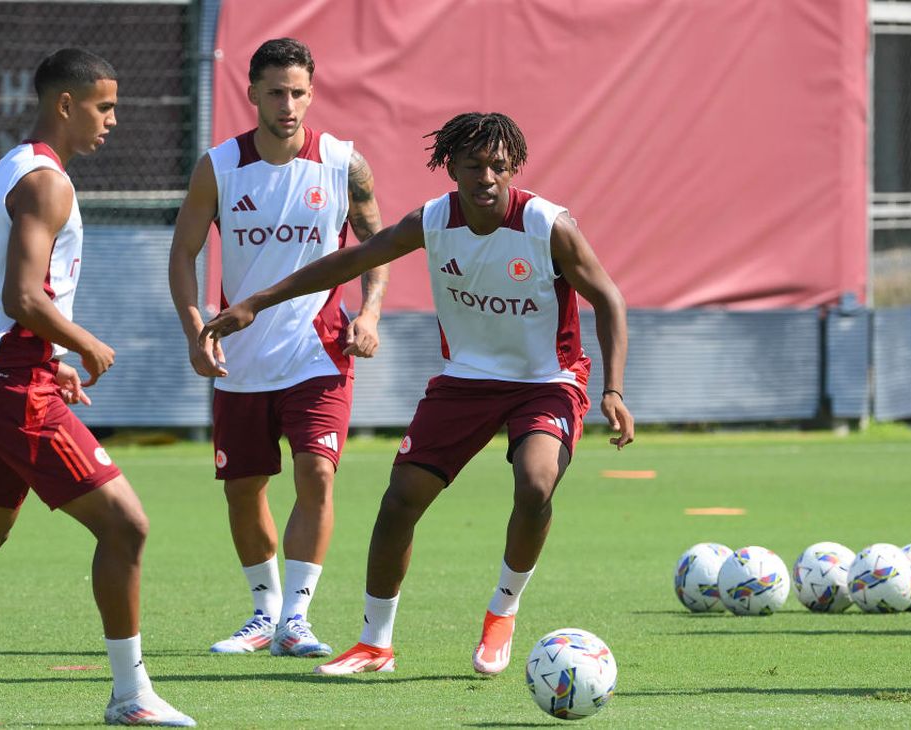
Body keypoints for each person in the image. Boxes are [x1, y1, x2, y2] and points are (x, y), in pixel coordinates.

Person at [200, 112, 635, 676]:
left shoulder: (546, 225)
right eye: (473, 166)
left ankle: (503, 610)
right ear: (450, 167)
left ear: (514, 169)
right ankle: (375, 644)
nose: (486, 178)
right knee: (400, 499)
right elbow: (352, 258)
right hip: (465, 380)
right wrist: (257, 302)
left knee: (535, 484)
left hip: (546, 381)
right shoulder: (433, 220)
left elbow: (609, 299)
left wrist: (613, 389)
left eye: (498, 166)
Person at [0, 49, 195, 726]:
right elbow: (21, 297)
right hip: (10, 385)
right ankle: (131, 696)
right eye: (104, 106)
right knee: (127, 526)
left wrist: (51, 355)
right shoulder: (48, 184)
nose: (113, 120)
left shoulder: (9, 169)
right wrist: (83, 344)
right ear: (65, 104)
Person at [168, 37, 388, 659]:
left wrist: (370, 313)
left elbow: (378, 245)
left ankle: (297, 617)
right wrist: (195, 331)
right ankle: (264, 613)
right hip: (240, 358)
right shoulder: (219, 166)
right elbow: (183, 254)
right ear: (252, 94)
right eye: (275, 93)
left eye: (297, 93)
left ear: (312, 94)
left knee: (316, 472)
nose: (287, 105)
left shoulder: (344, 164)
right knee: (244, 488)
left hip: (319, 352)